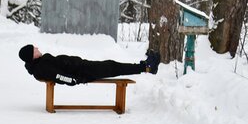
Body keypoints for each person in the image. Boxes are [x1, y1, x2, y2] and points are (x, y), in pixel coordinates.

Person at [19, 44, 161, 85]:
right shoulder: (41, 67)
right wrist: (75, 80)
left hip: (82, 67)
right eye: (34, 49)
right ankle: (147, 67)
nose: (37, 48)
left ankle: (145, 66)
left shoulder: (39, 64)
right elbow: (59, 76)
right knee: (113, 67)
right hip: (83, 71)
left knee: (112, 66)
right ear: (32, 55)